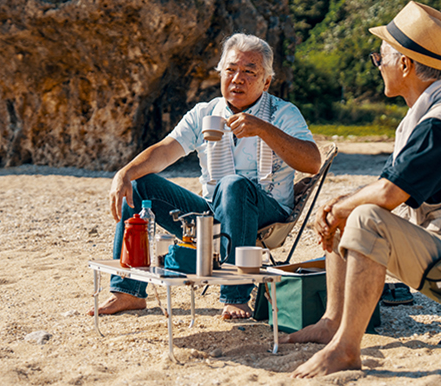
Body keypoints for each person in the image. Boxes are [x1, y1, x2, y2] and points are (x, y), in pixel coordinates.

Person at [279, 1, 441, 377]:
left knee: (365, 216)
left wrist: (341, 208)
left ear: (404, 64)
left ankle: (346, 350)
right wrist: (340, 206)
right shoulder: (438, 110)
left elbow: (388, 196)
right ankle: (332, 323)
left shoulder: (440, 125)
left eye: (380, 57)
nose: (378, 65)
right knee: (350, 207)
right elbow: (390, 186)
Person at [88, 33, 321, 319]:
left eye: (250, 72)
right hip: (211, 215)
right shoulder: (205, 113)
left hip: (267, 212)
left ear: (267, 81)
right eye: (231, 70)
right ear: (221, 73)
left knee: (233, 185)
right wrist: (124, 173)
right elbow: (165, 150)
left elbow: (312, 162)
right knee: (139, 185)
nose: (238, 78)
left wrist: (263, 129)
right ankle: (127, 292)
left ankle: (235, 295)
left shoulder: (283, 113)